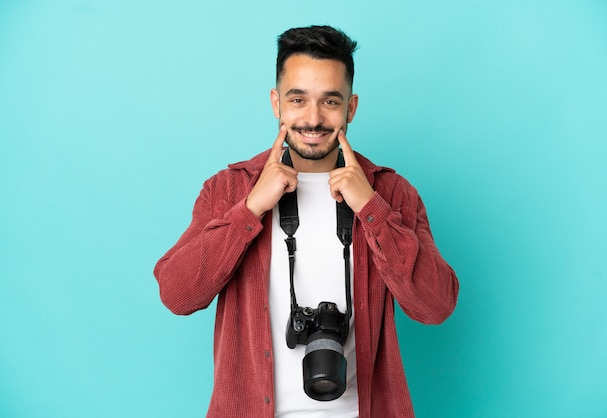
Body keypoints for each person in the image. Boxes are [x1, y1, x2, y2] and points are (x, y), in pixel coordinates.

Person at [154, 25, 459, 418]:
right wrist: (250, 210)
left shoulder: (391, 192)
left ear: (351, 107)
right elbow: (177, 294)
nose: (313, 119)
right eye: (298, 99)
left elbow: (435, 307)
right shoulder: (229, 189)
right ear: (276, 103)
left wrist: (371, 208)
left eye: (330, 101)